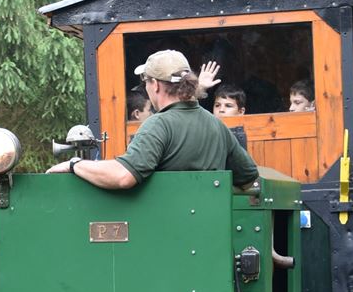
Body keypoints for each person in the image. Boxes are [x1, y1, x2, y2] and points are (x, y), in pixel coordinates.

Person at [47, 49, 258, 190]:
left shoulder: (159, 124)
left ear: (155, 84)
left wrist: (74, 165)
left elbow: (123, 176)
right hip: (210, 236)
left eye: (146, 82)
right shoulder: (216, 125)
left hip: (166, 236)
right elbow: (249, 178)